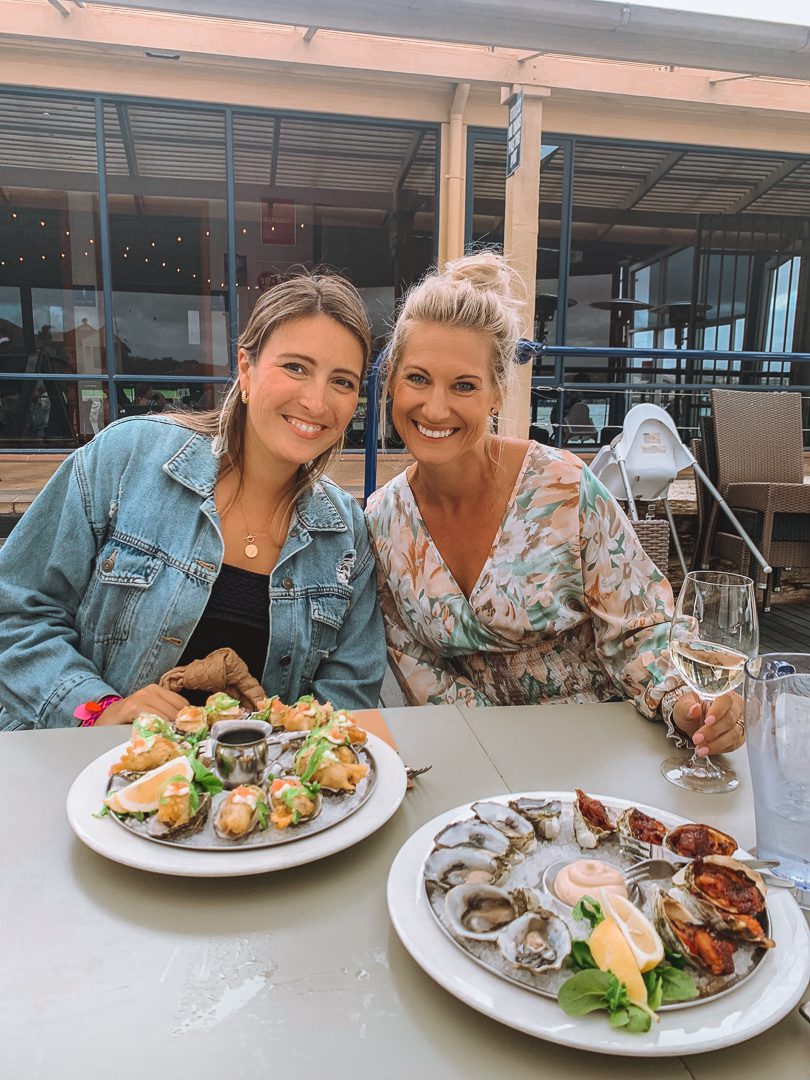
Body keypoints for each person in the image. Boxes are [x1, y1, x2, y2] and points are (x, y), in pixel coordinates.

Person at [365, 252, 742, 757]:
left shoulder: (562, 487)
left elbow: (640, 627)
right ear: (390, 380)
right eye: (417, 378)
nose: (435, 407)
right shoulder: (382, 521)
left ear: (497, 393)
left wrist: (687, 703)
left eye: (464, 386)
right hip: (475, 755)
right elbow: (416, 666)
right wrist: (494, 756)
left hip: (601, 746)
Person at [0, 272, 386, 730]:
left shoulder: (345, 533)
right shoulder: (129, 458)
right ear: (246, 369)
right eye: (296, 367)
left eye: (341, 381)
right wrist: (97, 711)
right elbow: (17, 610)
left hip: (256, 790)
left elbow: (348, 690)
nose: (317, 401)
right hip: (90, 778)